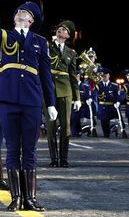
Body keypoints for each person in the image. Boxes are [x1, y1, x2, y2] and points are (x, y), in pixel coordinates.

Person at [0, 0, 57, 212]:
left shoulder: (40, 42)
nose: (20, 14)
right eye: (18, 11)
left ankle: (31, 198)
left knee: (30, 150)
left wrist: (51, 104)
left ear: (32, 20)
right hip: (7, 98)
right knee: (12, 149)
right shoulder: (5, 35)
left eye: (25, 13)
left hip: (31, 99)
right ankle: (16, 197)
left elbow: (46, 75)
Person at [45, 20, 80, 167]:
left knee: (65, 127)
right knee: (51, 127)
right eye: (59, 28)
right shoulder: (46, 47)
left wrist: (77, 98)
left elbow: (73, 76)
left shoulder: (71, 53)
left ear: (68, 35)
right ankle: (54, 159)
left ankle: (64, 159)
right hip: (49, 90)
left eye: (64, 29)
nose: (61, 30)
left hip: (66, 91)